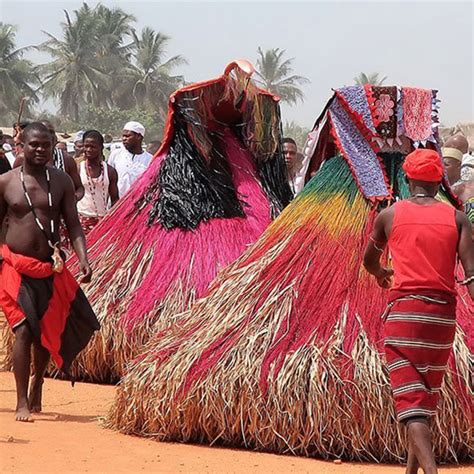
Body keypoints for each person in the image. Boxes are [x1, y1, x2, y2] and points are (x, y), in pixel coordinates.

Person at [363, 149, 473, 474]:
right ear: (439, 179)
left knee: (411, 406)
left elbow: (369, 260)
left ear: (407, 179)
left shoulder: (390, 215)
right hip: (442, 320)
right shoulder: (458, 218)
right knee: (424, 401)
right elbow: (470, 275)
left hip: (405, 317)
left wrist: (381, 273)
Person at [0, 122, 100, 422]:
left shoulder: (62, 182)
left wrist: (84, 259)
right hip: (14, 266)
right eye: (34, 145)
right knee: (24, 329)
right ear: (22, 144)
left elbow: (73, 224)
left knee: (45, 330)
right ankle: (21, 402)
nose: (40, 150)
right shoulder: (6, 182)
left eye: (46, 144)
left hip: (50, 267)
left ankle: (38, 381)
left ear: (53, 144)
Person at [14, 121, 84, 202]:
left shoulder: (66, 160)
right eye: (45, 132)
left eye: (51, 132)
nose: (49, 135)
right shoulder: (22, 159)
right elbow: (13, 188)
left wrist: (72, 199)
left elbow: (79, 188)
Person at [77, 130, 119, 234]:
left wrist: (115, 221)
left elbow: (115, 200)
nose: (88, 150)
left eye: (92, 147)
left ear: (101, 147)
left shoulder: (110, 171)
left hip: (103, 221)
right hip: (81, 220)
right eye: (86, 146)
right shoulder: (78, 168)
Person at [108, 121, 152, 197]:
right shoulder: (116, 155)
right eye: (123, 136)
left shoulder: (150, 160)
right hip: (116, 204)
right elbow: (108, 179)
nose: (124, 139)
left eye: (127, 136)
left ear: (138, 136)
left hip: (139, 204)